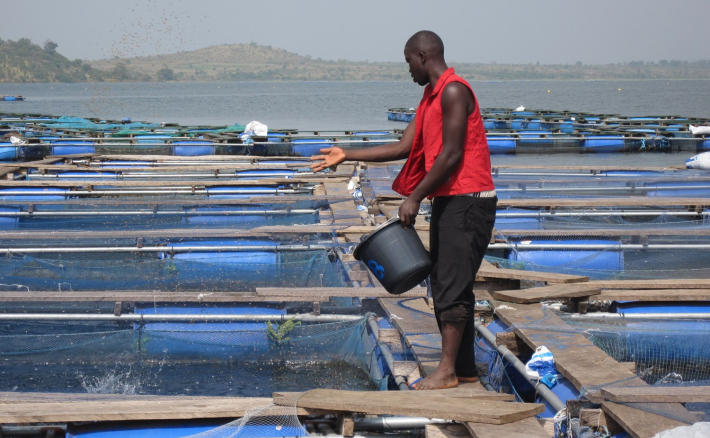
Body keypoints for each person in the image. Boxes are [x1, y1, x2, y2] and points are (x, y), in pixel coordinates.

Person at [311, 30, 496, 390]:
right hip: (450, 200)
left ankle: (446, 372)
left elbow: (452, 154)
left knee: (450, 287)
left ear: (423, 56)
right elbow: (403, 147)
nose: (408, 68)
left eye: (409, 61)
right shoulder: (430, 97)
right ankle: (465, 368)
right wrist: (347, 154)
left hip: (470, 200)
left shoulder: (455, 91)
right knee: (448, 282)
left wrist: (414, 197)